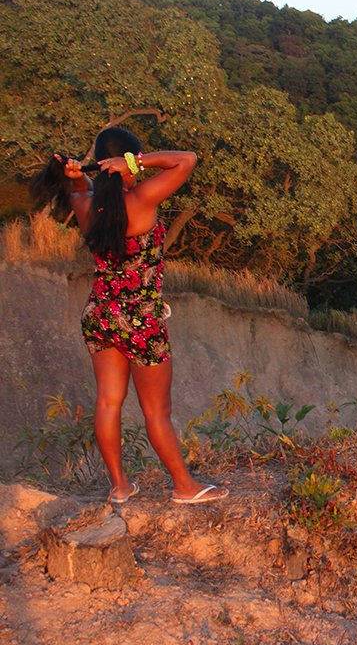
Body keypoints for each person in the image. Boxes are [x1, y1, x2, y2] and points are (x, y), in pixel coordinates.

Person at [30, 126, 228, 504]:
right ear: (126, 163)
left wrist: (82, 173)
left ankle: (120, 486)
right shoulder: (141, 199)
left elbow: (80, 186)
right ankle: (184, 487)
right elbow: (187, 160)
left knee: (108, 402)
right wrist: (134, 162)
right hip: (139, 319)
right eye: (134, 160)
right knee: (157, 411)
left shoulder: (85, 202)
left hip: (100, 312)